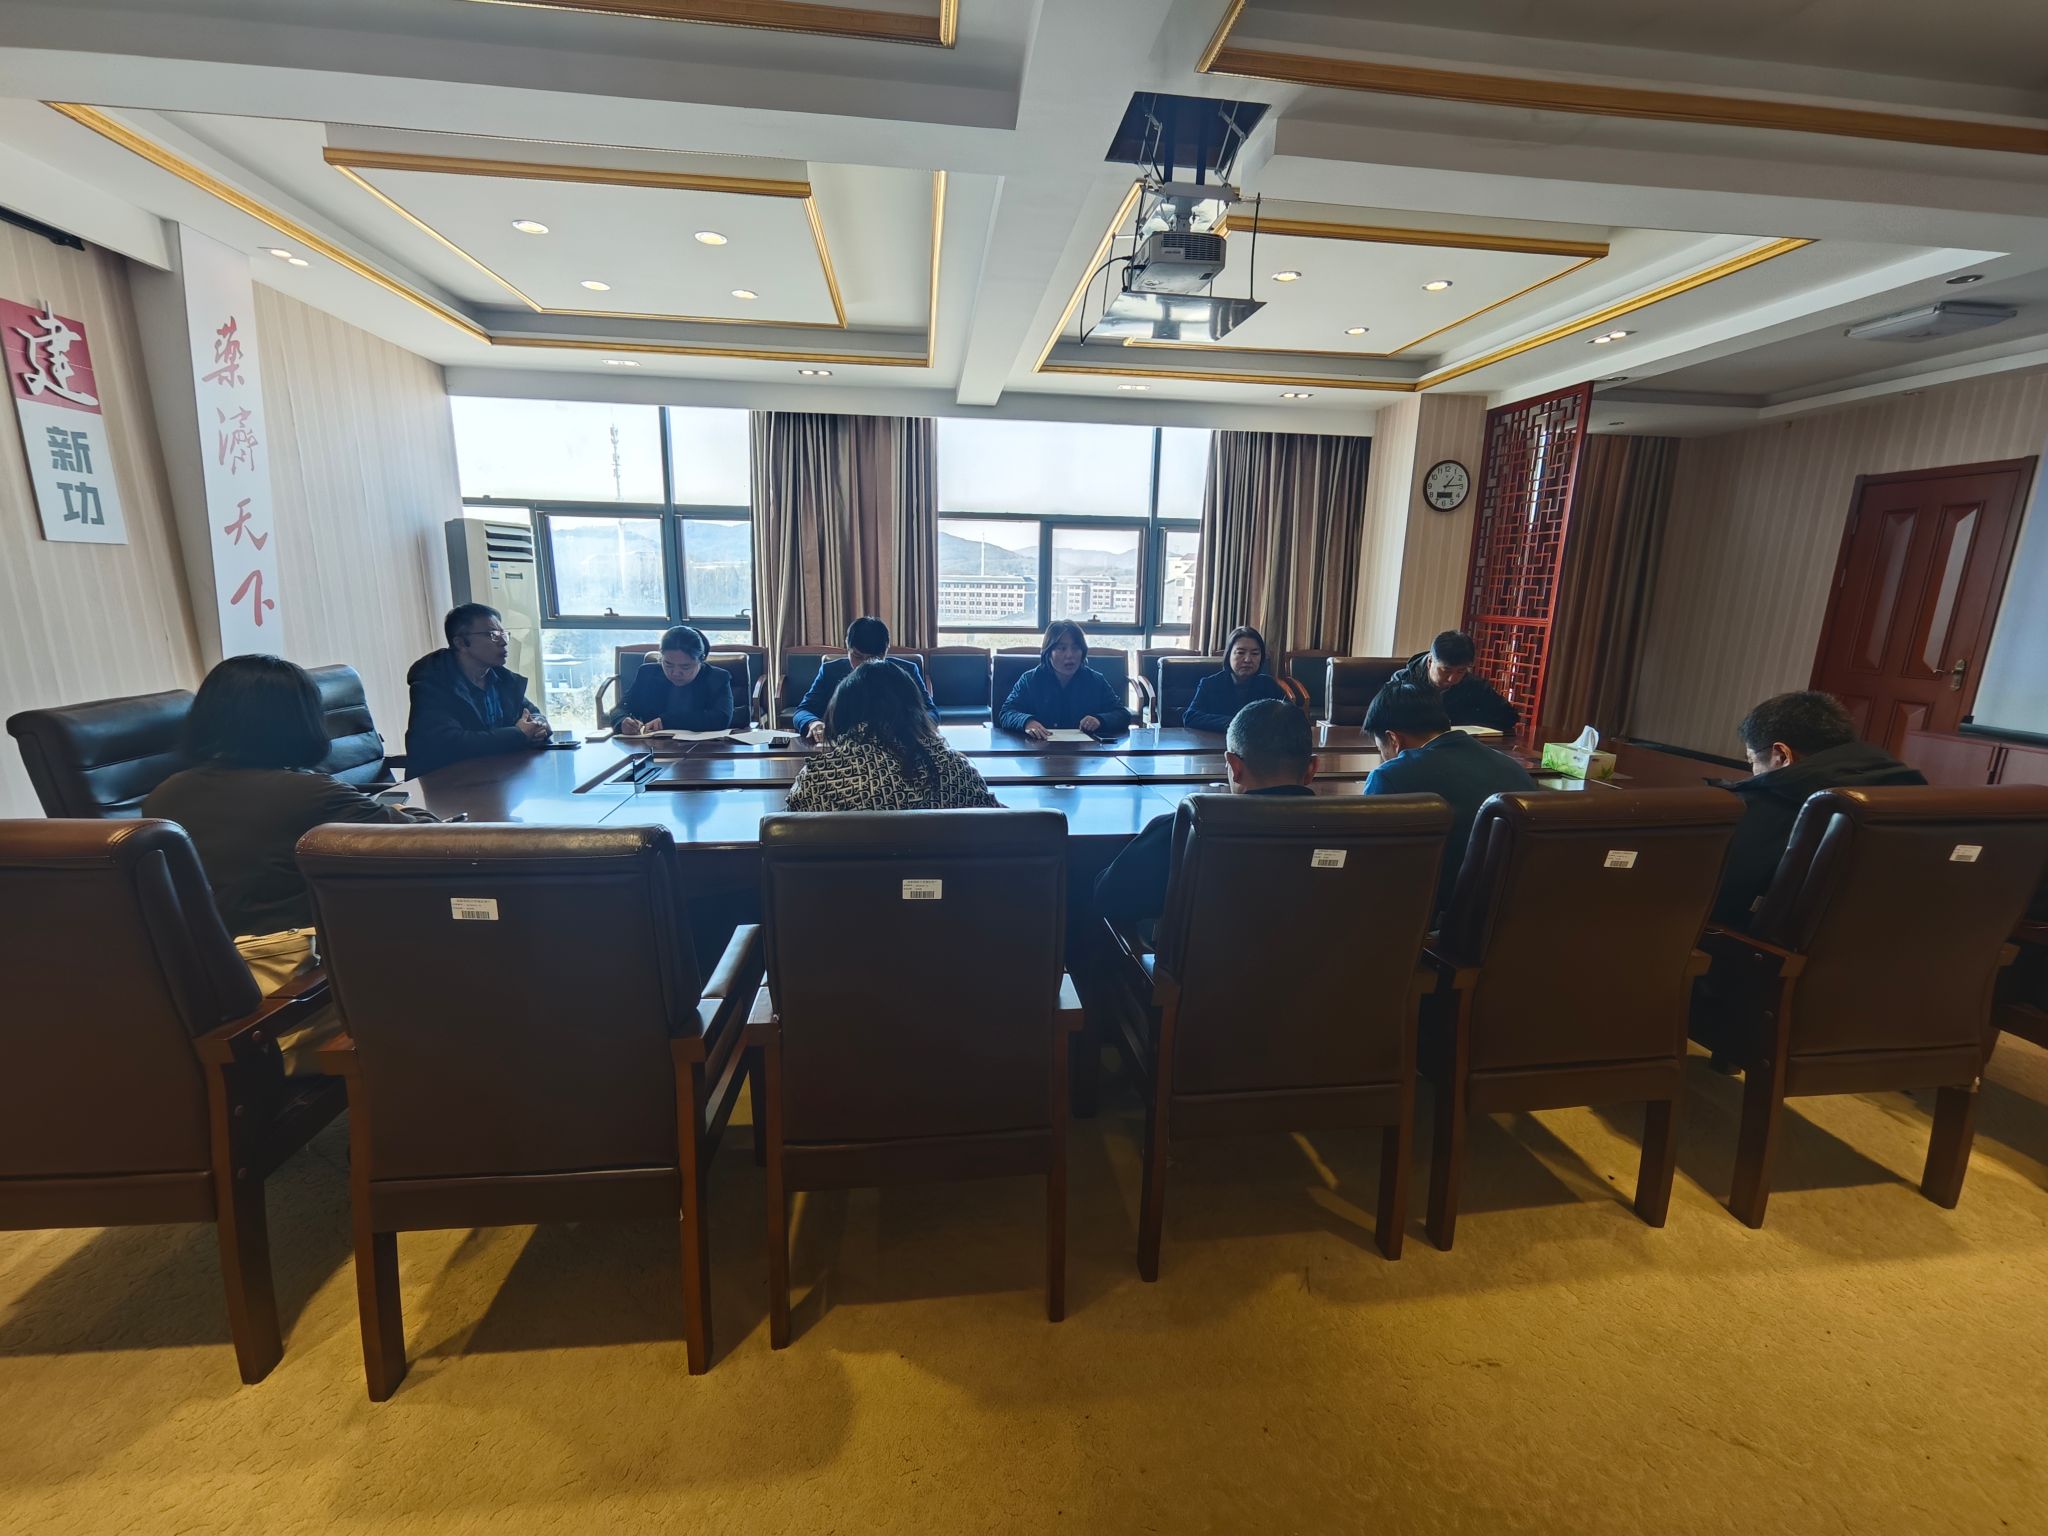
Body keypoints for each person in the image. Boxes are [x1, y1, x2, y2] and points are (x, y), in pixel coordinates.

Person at [143, 655, 433, 1069]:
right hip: (293, 998)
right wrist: (401, 813)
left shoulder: (164, 795)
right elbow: (432, 844)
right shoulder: (310, 794)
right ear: (301, 721)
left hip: (210, 1002)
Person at [1711, 689, 1926, 929]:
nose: (1752, 772)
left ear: (1781, 755)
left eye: (1751, 760)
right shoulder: (1911, 796)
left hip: (1756, 948)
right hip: (1888, 941)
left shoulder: (1755, 809)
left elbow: (1720, 900)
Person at [1092, 698, 1316, 928]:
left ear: (1234, 767)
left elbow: (1108, 897)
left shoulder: (1188, 827)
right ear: (1312, 769)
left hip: (1212, 953)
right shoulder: (1339, 827)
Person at [1364, 682, 1536, 915]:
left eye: (1380, 749)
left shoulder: (1389, 776)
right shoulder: (1512, 767)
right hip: (1516, 912)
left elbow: (1368, 861)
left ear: (1393, 739)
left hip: (1434, 917)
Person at [785, 659, 1000, 812]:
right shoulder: (958, 771)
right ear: (914, 708)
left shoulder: (819, 780)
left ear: (842, 710)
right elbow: (997, 826)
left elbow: (785, 840)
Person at [405, 603, 550, 775]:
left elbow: (533, 715)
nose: (504, 642)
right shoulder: (432, 684)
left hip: (497, 777)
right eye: (492, 635)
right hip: (445, 782)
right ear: (461, 643)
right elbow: (449, 743)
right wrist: (519, 734)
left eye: (503, 634)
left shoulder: (503, 679)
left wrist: (538, 726)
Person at [793, 615, 935, 744]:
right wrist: (813, 723)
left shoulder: (906, 671)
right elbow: (803, 711)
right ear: (847, 646)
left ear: (887, 648)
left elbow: (931, 713)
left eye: (874, 658)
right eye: (858, 656)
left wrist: (911, 727)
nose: (865, 665)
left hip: (896, 746)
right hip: (844, 747)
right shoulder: (830, 671)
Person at [998, 620, 1132, 739]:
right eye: (1062, 648)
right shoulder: (1030, 680)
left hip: (1084, 753)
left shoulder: (1095, 680)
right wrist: (1027, 722)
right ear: (1048, 652)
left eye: (1076, 648)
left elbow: (1122, 714)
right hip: (1039, 750)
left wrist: (1100, 720)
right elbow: (1006, 713)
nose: (1069, 655)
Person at [1369, 629, 1519, 734]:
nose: (1453, 678)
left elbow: (1508, 717)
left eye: (1461, 671)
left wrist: (1469, 722)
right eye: (1446, 670)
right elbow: (1382, 720)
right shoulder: (1403, 681)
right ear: (1430, 662)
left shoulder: (1474, 685)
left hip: (1459, 749)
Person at [613, 624, 734, 735]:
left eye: (685, 667)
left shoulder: (717, 678)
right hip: (653, 747)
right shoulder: (648, 674)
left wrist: (667, 721)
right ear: (661, 658)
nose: (675, 673)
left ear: (701, 661)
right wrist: (622, 721)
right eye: (668, 664)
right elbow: (620, 708)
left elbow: (721, 718)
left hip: (704, 748)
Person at [1183, 625, 1286, 732]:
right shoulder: (1210, 684)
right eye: (1240, 652)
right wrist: (1237, 723)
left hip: (1259, 741)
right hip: (1220, 740)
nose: (1248, 659)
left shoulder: (1269, 685)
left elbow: (1290, 715)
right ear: (1228, 655)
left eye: (1255, 653)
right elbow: (1190, 717)